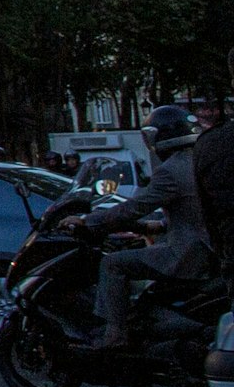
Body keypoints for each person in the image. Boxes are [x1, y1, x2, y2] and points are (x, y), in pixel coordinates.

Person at [87, 104, 212, 349]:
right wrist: (153, 227)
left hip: (188, 255)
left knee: (113, 263)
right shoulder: (202, 161)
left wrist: (88, 220)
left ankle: (116, 332)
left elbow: (132, 208)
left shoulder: (171, 170)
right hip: (210, 249)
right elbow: (195, 211)